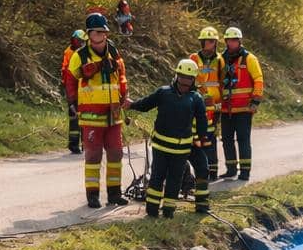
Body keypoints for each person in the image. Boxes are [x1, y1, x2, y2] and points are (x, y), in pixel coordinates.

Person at [126, 59, 210, 217]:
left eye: (188, 78)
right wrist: (131, 105)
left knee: (174, 181)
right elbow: (146, 104)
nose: (184, 81)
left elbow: (202, 121)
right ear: (176, 75)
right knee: (157, 177)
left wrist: (202, 137)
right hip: (161, 147)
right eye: (182, 77)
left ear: (193, 80)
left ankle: (168, 211)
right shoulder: (163, 93)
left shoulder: (196, 99)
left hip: (181, 149)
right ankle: (151, 211)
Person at [67, 12, 129, 207]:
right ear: (89, 34)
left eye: (103, 32)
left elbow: (122, 77)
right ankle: (92, 196)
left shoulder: (114, 53)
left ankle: (114, 194)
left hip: (114, 113)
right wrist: (72, 103)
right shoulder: (80, 56)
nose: (100, 36)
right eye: (96, 32)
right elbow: (70, 80)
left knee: (116, 153)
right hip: (91, 114)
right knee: (93, 155)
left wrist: (124, 96)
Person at [217, 27, 264, 181]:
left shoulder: (249, 59)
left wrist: (255, 100)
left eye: (235, 40)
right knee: (227, 140)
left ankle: (245, 171)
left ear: (240, 41)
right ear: (226, 41)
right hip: (226, 109)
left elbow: (258, 79)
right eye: (230, 40)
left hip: (244, 108)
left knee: (243, 140)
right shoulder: (221, 59)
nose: (232, 43)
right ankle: (231, 169)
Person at [190, 26, 224, 193]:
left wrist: (221, 105)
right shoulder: (194, 59)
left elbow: (224, 82)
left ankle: (213, 171)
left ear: (215, 43)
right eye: (205, 41)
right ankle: (199, 171)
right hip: (197, 105)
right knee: (197, 138)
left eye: (211, 41)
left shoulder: (220, 60)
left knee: (211, 139)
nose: (207, 44)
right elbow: (190, 80)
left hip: (214, 106)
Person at [61, 27, 86, 155]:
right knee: (74, 117)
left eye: (82, 41)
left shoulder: (82, 52)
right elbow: (68, 73)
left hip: (82, 89)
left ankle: (85, 144)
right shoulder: (71, 53)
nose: (80, 43)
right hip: (73, 89)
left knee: (85, 117)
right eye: (79, 40)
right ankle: (74, 144)